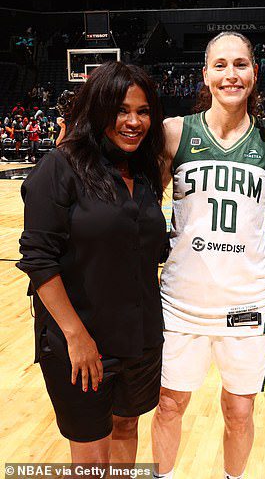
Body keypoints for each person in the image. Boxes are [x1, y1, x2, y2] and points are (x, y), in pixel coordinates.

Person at [152, 32, 265, 479]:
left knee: (239, 411)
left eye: (240, 65)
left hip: (246, 303)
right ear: (206, 73)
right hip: (181, 302)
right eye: (220, 65)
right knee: (170, 404)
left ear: (254, 73)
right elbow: (133, 205)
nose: (231, 74)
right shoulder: (175, 132)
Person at [17, 61, 167, 465]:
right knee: (90, 462)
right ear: (98, 109)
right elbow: (38, 258)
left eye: (143, 111)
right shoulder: (61, 166)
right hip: (81, 344)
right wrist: (76, 337)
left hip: (141, 340)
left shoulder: (146, 171)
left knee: (127, 429)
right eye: (121, 110)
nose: (133, 121)